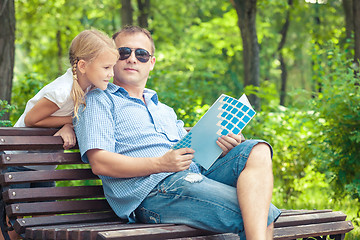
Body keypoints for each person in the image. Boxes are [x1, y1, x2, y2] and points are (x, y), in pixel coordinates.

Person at [74, 26, 281, 240]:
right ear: (111, 58)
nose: (132, 59)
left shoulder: (164, 110)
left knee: (257, 149)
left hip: (194, 177)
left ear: (151, 63)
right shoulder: (99, 100)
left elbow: (194, 156)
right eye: (124, 53)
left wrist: (221, 148)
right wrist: (161, 164)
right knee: (262, 212)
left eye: (141, 54)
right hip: (152, 193)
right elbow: (100, 162)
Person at [0, 29, 119, 240]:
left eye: (112, 67)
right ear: (82, 65)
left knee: (44, 218)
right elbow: (31, 120)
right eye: (106, 67)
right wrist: (69, 123)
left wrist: (67, 126)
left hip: (43, 165)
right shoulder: (61, 91)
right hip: (18, 161)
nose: (111, 73)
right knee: (13, 225)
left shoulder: (91, 88)